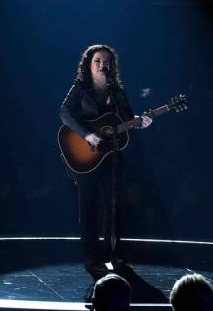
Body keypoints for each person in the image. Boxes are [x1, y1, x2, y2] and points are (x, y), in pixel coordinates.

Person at [60, 44, 152, 274]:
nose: (103, 65)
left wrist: (142, 120)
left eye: (107, 61)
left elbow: (128, 119)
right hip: (86, 156)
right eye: (98, 61)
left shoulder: (117, 92)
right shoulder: (80, 89)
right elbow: (64, 113)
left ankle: (115, 256)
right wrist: (87, 134)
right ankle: (92, 259)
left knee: (114, 207)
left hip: (111, 157)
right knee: (88, 208)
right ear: (89, 65)